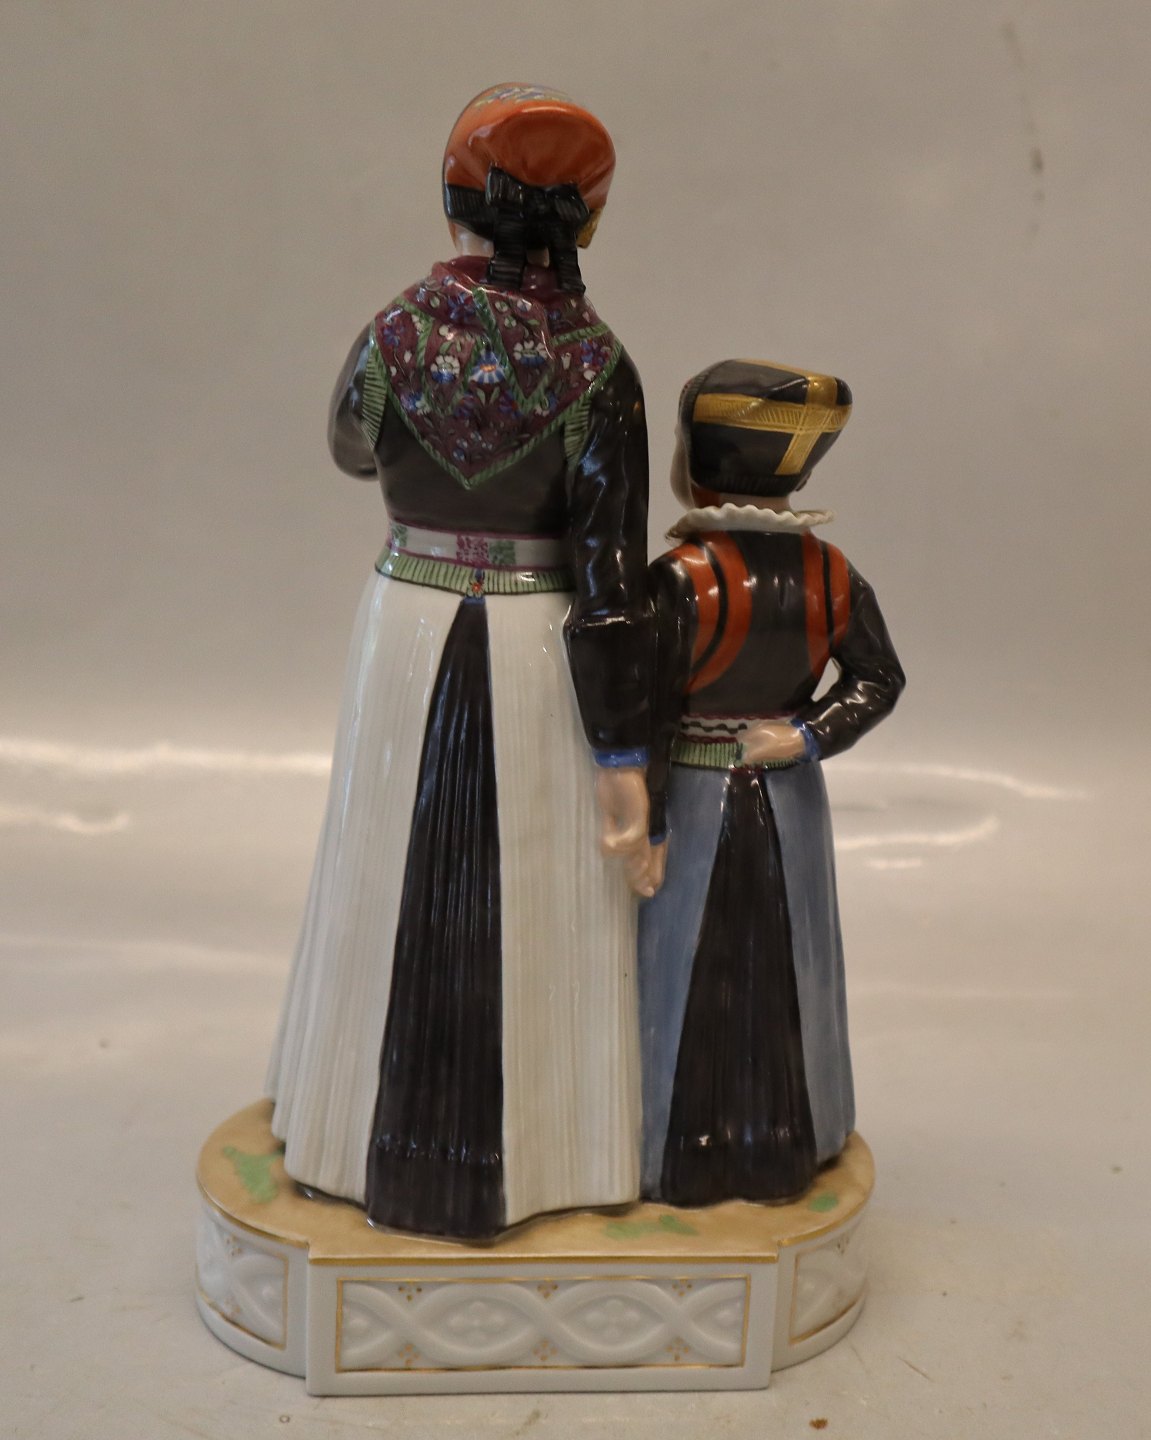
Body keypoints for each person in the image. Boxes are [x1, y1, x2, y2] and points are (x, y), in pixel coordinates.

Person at [266, 85, 652, 1240]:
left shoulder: (393, 334)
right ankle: (545, 1151)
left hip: (409, 613)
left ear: (453, 205)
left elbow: (348, 447)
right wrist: (622, 752)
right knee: (538, 891)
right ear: (587, 223)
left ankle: (348, 1129)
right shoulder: (597, 367)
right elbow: (610, 577)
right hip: (537, 637)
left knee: (382, 857)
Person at [637, 360, 905, 1206]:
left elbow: (644, 713)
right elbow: (878, 680)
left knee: (682, 965)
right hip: (786, 798)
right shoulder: (830, 572)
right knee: (786, 962)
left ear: (697, 460)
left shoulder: (677, 579)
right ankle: (788, 1134)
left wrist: (641, 816)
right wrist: (807, 736)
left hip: (690, 796)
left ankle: (670, 1149)